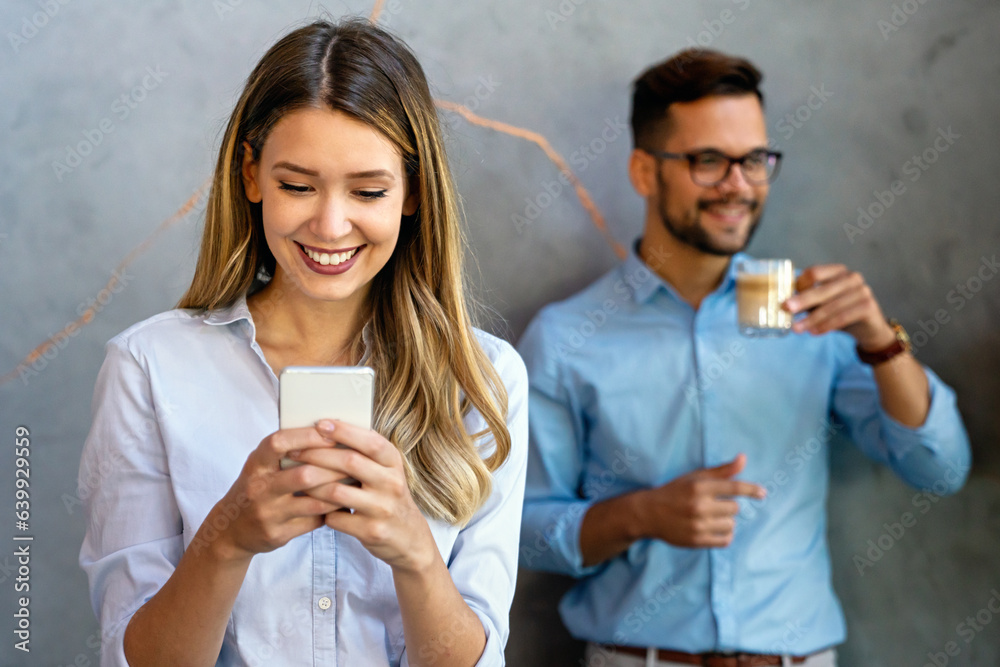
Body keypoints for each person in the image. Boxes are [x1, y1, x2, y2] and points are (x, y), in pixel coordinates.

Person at [78, 19, 527, 667]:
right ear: (252, 176)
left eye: (369, 190)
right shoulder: (148, 367)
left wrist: (415, 552)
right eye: (297, 185)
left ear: (414, 193)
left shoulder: (483, 377)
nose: (331, 224)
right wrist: (228, 537)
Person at [517, 48, 970, 667]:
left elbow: (940, 469)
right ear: (645, 171)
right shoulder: (566, 336)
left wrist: (878, 340)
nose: (739, 184)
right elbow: (519, 530)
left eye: (755, 160)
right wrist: (641, 514)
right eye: (709, 161)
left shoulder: (811, 313)